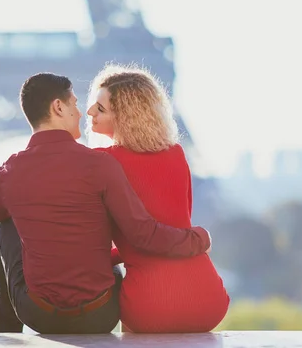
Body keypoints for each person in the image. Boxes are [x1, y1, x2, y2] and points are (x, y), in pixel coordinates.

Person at [0, 72, 211, 334]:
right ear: (58, 107)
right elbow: (141, 232)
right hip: (100, 314)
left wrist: (9, 180)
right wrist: (198, 239)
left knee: (4, 225)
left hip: (38, 314)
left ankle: (4, 333)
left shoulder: (11, 169)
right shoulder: (100, 164)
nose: (83, 113)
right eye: (75, 104)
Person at [86, 64, 230, 333]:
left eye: (101, 108)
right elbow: (174, 229)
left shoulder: (105, 162)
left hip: (150, 306)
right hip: (208, 301)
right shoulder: (176, 153)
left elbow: (142, 237)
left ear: (125, 116)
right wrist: (200, 238)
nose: (89, 111)